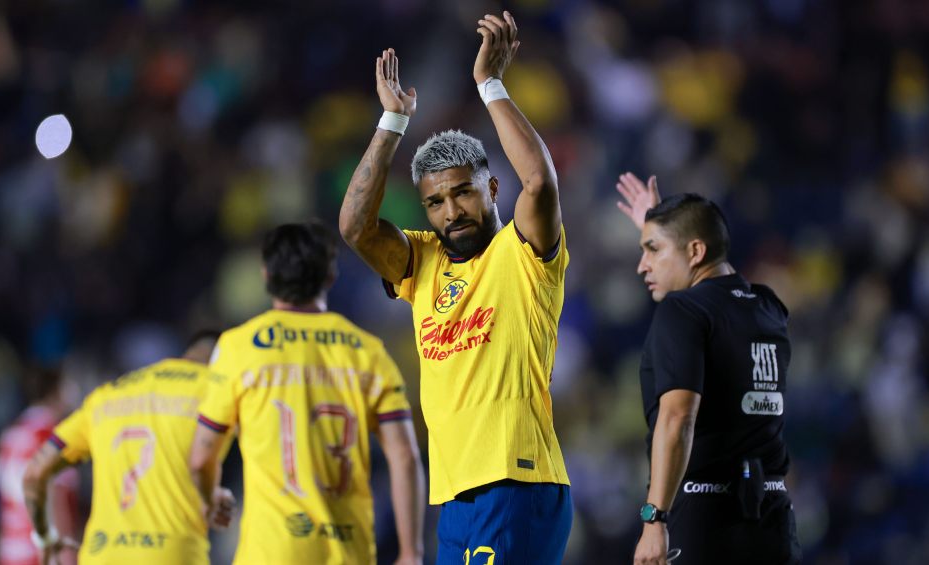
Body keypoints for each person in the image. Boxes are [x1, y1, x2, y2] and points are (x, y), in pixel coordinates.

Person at [339, 11, 572, 564]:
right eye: (436, 202)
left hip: (518, 481)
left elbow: (539, 181)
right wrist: (392, 122)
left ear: (492, 187)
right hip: (453, 496)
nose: (452, 211)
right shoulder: (421, 261)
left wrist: (489, 85)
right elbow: (354, 228)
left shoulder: (523, 252)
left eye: (464, 193)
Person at [189, 222, 425, 565]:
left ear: (266, 275)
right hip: (347, 551)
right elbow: (404, 457)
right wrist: (410, 552)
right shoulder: (366, 351)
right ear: (331, 275)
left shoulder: (238, 348)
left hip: (270, 553)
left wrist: (210, 498)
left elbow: (200, 458)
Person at [615, 173, 801, 565]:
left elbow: (678, 416)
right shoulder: (769, 307)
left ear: (695, 251)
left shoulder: (681, 311)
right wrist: (666, 231)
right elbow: (718, 293)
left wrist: (655, 520)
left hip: (705, 520)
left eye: (652, 250)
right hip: (772, 519)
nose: (641, 266)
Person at [22, 331, 235, 565]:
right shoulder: (218, 389)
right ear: (224, 360)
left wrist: (45, 538)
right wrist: (210, 496)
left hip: (101, 555)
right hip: (172, 555)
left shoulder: (107, 395)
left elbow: (34, 473)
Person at [0, 367, 80, 565]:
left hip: (11, 550)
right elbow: (55, 496)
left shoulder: (11, 433)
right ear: (55, 391)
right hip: (41, 553)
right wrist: (65, 555)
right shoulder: (54, 436)